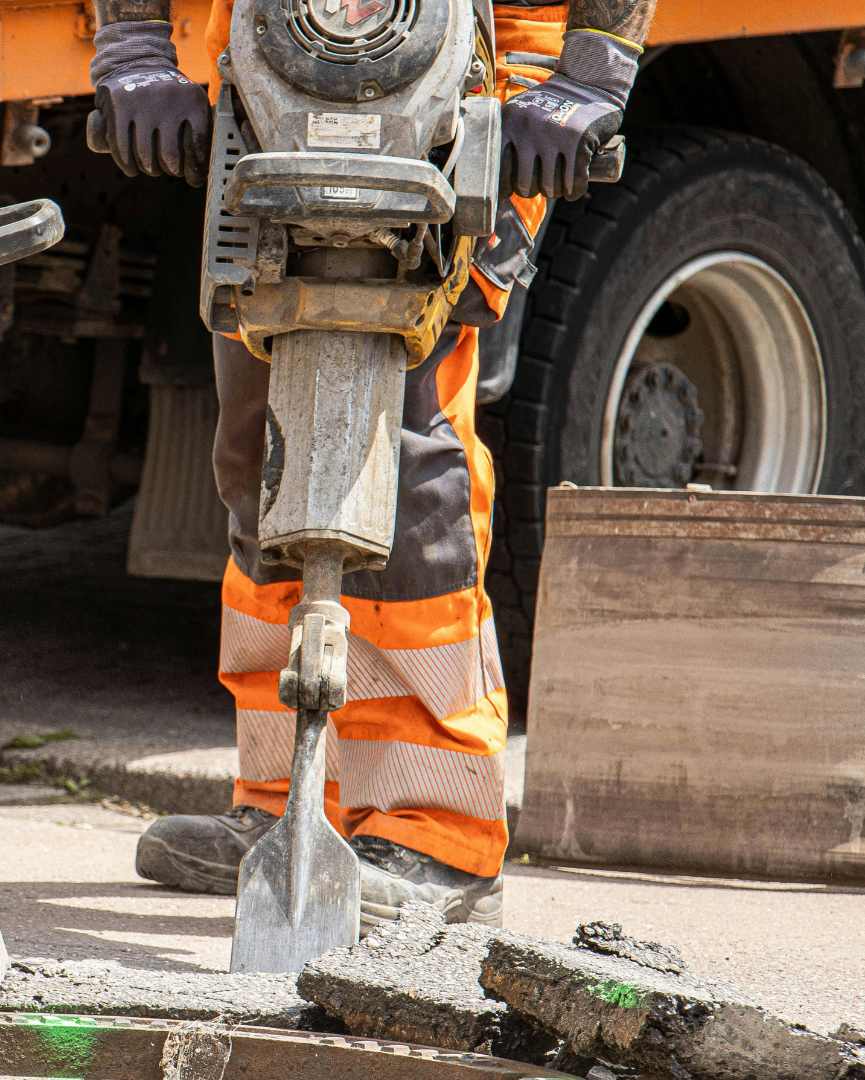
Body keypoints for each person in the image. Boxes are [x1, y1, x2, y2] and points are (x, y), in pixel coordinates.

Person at [88, 0, 657, 929]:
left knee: (403, 438)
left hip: (479, 74)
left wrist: (591, 74)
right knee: (257, 445)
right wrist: (135, 47)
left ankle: (435, 828)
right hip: (281, 65)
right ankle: (287, 800)